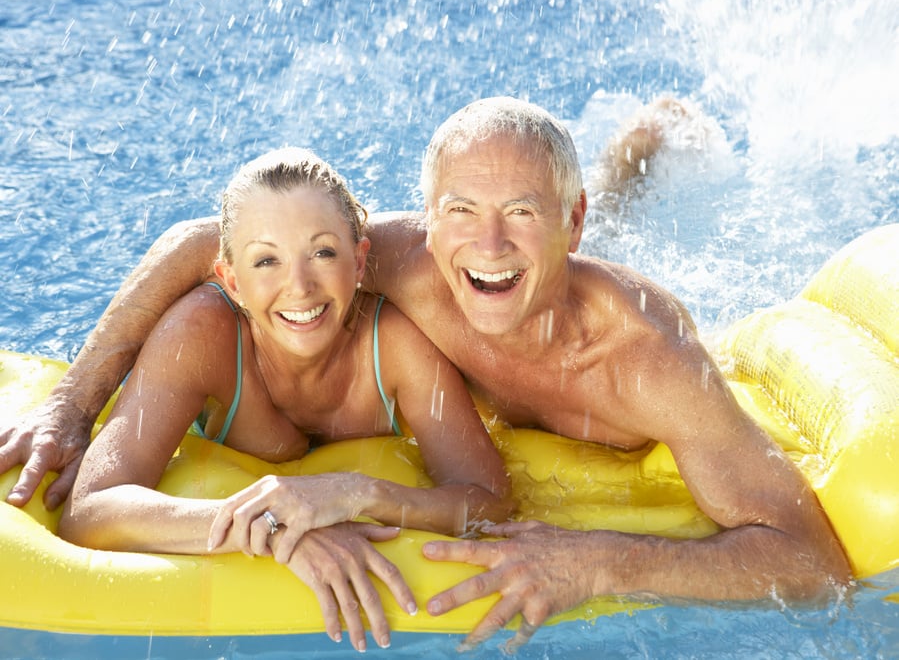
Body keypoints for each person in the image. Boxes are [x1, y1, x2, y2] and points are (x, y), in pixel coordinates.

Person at [2, 98, 850, 651]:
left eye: (522, 213)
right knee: (517, 266)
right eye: (462, 215)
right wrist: (74, 404)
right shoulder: (399, 264)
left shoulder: (648, 364)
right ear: (427, 223)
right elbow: (206, 241)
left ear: (563, 223)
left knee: (600, 257)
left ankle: (630, 160)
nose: (484, 247)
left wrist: (597, 562)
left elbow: (814, 564)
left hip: (597, 321)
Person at [54, 147, 512, 653]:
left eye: (323, 252)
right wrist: (271, 530)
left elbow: (490, 502)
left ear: (359, 261)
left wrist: (361, 493)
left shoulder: (397, 345)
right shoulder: (203, 335)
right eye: (266, 260)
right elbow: (89, 509)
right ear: (231, 279)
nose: (299, 287)